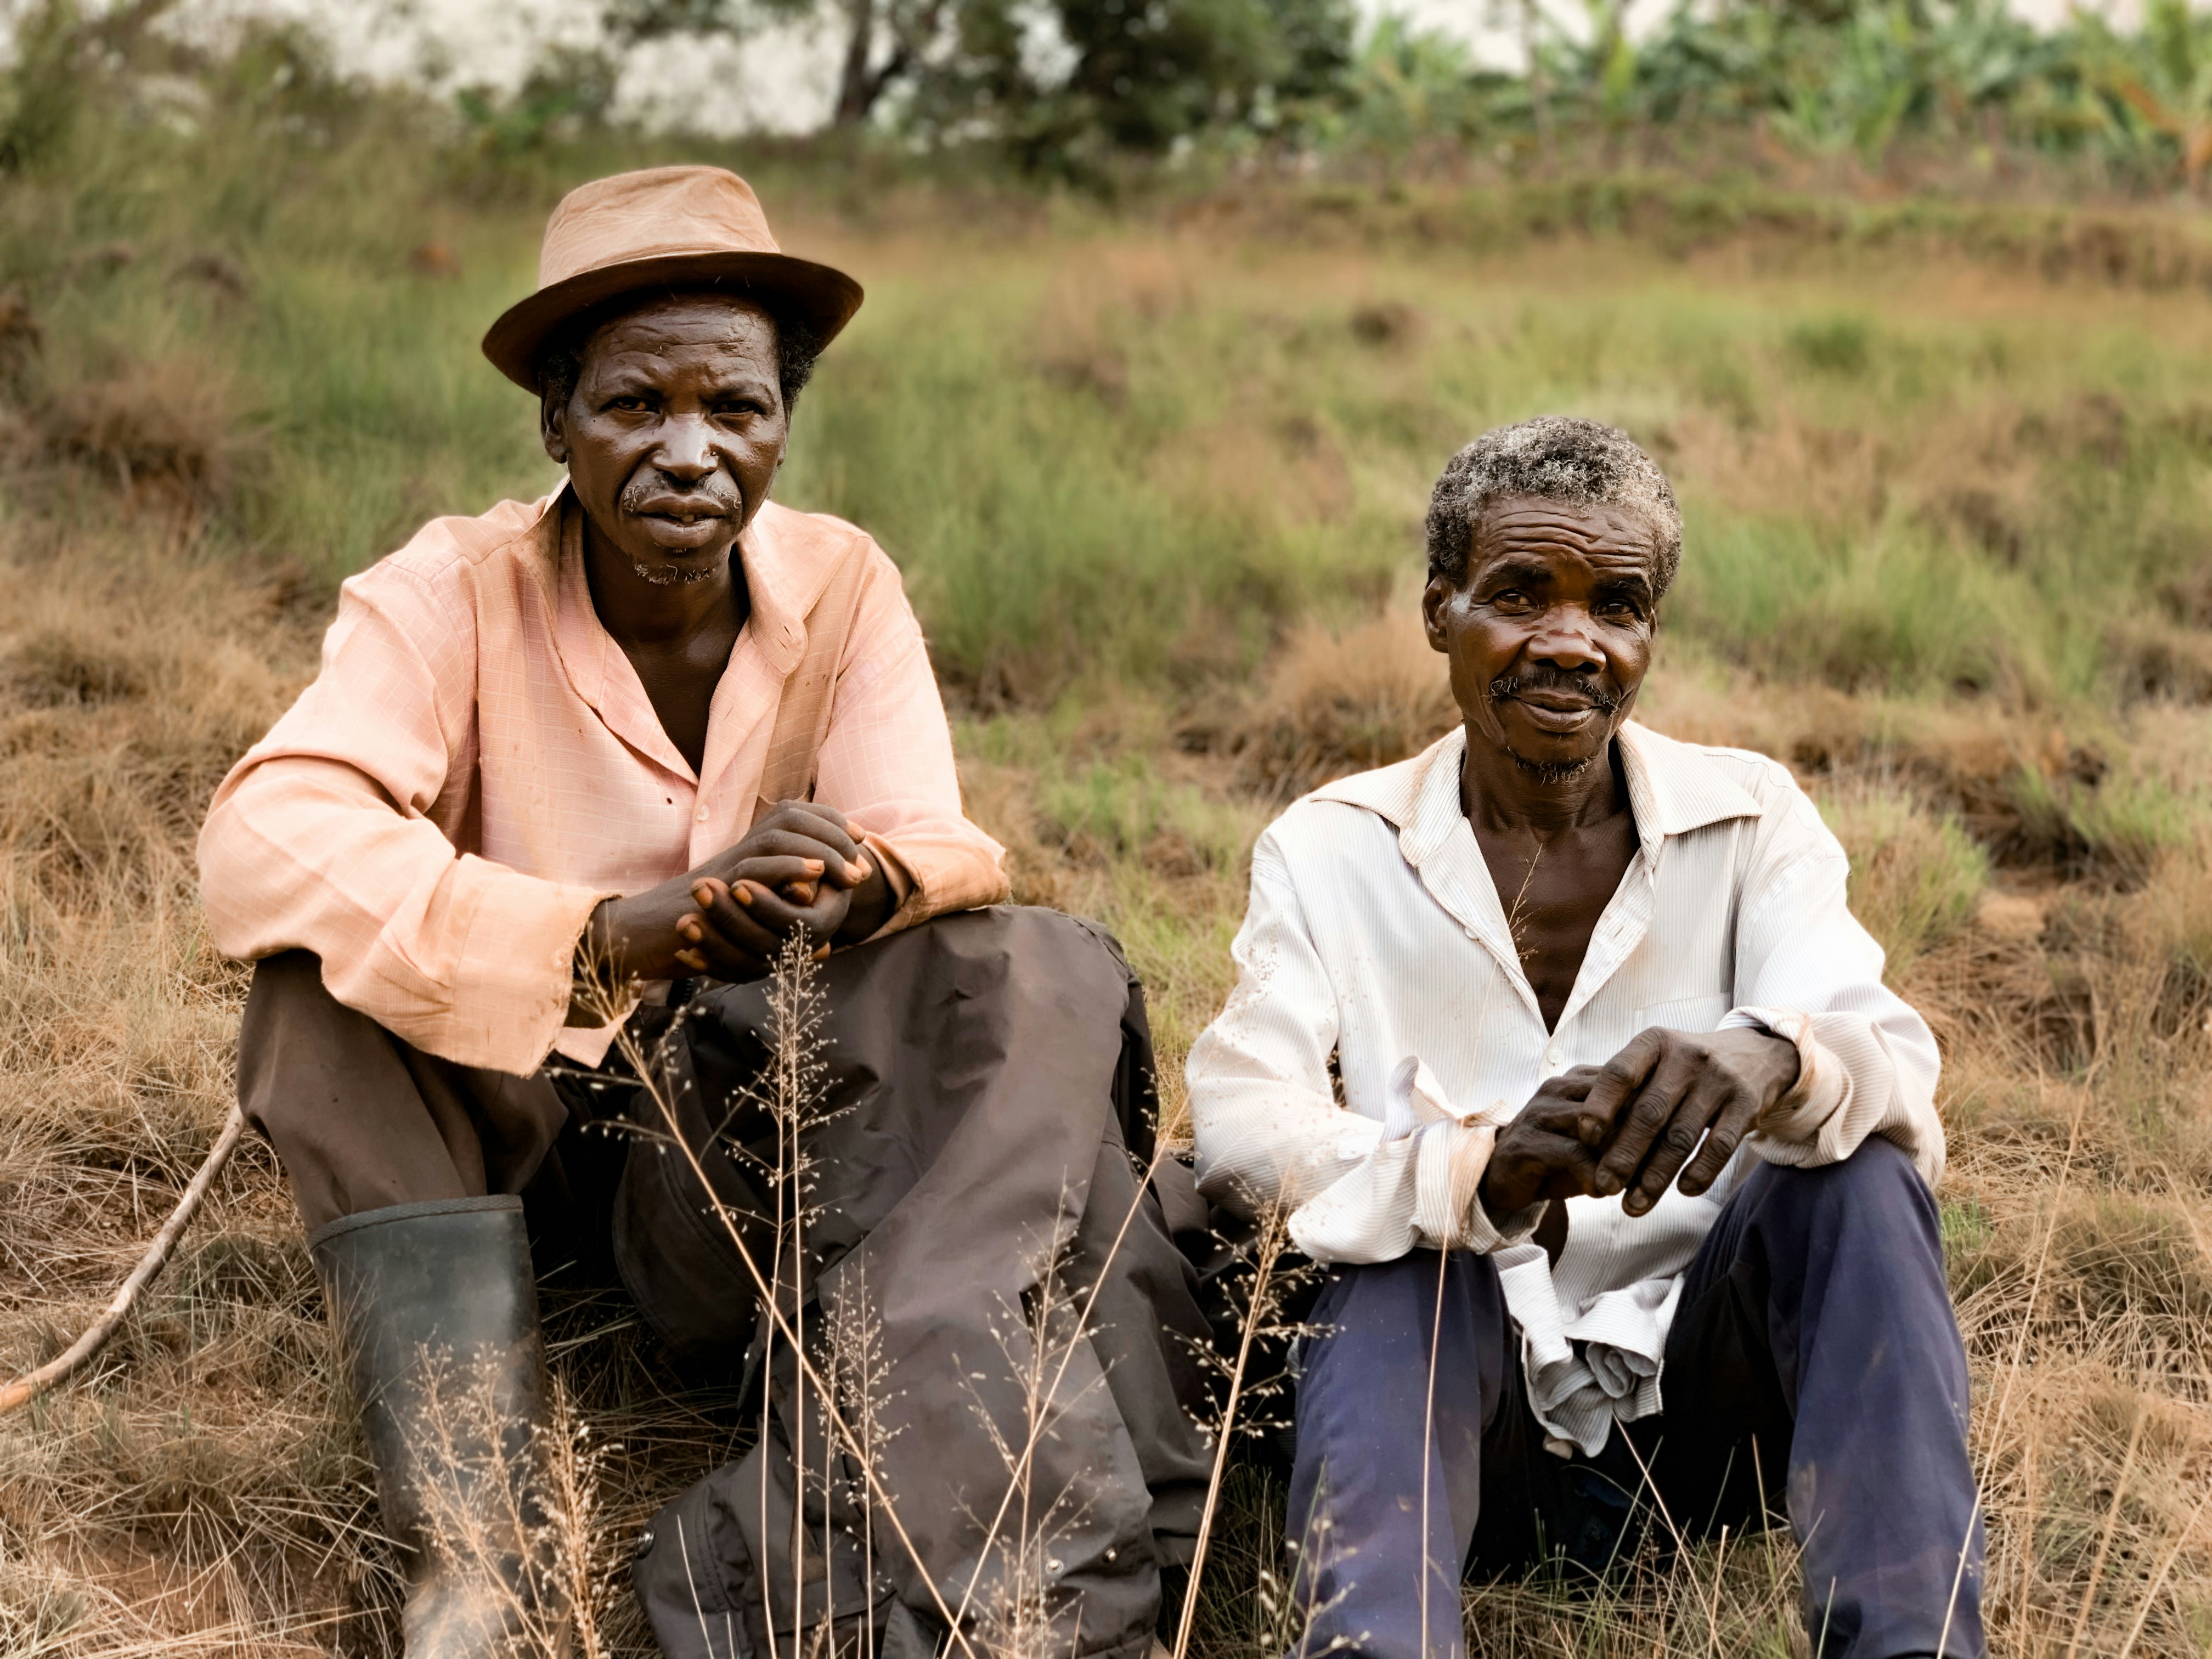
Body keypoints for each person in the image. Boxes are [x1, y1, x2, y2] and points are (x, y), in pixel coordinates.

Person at [199, 166, 1212, 1659]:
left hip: (734, 1164)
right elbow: (265, 834)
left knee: (1000, 966)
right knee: (305, 994)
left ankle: (899, 1453)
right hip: (500, 1152)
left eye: (735, 409)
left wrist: (856, 882)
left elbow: (936, 838)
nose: (691, 453)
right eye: (634, 406)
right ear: (558, 423)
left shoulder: (842, 584)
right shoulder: (450, 590)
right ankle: (478, 1550)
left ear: (782, 421)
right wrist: (605, 936)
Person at [1185, 417, 1983, 1659]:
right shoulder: (1331, 846)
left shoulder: (1748, 815)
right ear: (1440, 608)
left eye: (1618, 606)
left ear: (1650, 637)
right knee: (1409, 1232)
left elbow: (1891, 1053)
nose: (1572, 643)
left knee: (1862, 1175)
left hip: (1714, 1438)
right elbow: (1240, 1120)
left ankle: (1910, 1647)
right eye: (1518, 596)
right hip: (1463, 1434)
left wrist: (1775, 1055)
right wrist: (1476, 1171)